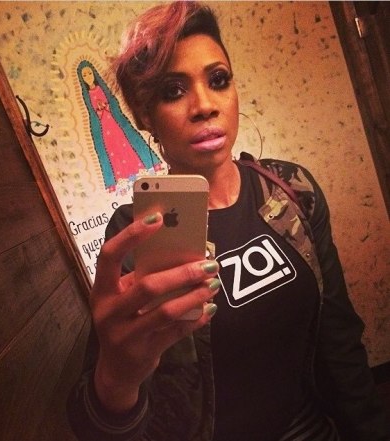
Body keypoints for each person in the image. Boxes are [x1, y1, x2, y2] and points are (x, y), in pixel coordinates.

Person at [67, 2, 390, 441]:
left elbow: (339, 342)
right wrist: (115, 378)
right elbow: (98, 421)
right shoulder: (137, 234)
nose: (205, 106)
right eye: (173, 90)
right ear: (145, 115)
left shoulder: (292, 191)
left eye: (218, 80)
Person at [77, 60, 162, 193]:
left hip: (114, 122)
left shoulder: (102, 89)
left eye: (89, 73)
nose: (88, 77)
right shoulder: (87, 96)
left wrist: (106, 107)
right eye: (85, 75)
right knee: (113, 151)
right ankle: (124, 179)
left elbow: (112, 103)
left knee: (125, 144)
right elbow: (92, 113)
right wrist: (99, 111)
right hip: (104, 127)